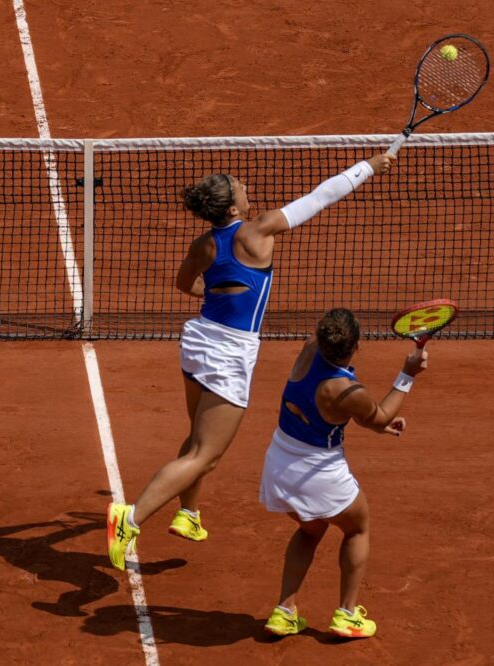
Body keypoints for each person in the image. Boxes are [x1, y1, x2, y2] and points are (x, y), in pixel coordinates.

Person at [107, 152, 397, 571]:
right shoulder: (258, 232)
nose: (247, 189)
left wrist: (219, 297)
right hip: (228, 353)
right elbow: (321, 197)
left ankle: (188, 514)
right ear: (231, 208)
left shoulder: (203, 244)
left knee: (197, 435)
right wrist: (368, 167)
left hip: (198, 340)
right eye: (240, 188)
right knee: (206, 455)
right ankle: (128, 519)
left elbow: (184, 283)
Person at [259, 308, 428, 639]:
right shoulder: (347, 391)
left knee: (311, 530)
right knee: (357, 528)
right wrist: (408, 374)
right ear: (356, 347)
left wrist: (375, 422)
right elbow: (377, 417)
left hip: (279, 463)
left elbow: (357, 416)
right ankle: (347, 615)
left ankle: (284, 612)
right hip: (318, 473)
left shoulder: (308, 349)